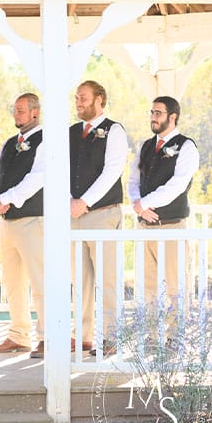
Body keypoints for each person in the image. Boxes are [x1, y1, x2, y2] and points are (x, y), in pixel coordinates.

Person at [70, 80, 128, 356]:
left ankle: (111, 338)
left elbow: (113, 170)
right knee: (79, 279)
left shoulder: (113, 130)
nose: (78, 102)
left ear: (99, 99)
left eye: (83, 97)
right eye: (76, 98)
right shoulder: (70, 132)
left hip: (103, 213)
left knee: (107, 278)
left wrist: (85, 201)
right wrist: (69, 201)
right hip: (73, 214)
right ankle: (83, 336)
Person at [0, 94, 46, 359]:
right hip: (7, 222)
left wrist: (7, 198)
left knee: (40, 280)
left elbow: (38, 177)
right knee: (13, 282)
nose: (16, 115)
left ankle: (48, 336)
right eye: (14, 110)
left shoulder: (45, 140)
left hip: (33, 219)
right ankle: (19, 335)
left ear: (35, 112)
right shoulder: (10, 143)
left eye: (21, 110)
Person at [128, 96, 198, 310]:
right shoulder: (146, 146)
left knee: (176, 286)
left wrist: (145, 203)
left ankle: (175, 339)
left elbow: (177, 185)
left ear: (173, 116)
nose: (153, 117)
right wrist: (137, 204)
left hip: (172, 227)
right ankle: (151, 337)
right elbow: (133, 180)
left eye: (158, 113)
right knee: (146, 286)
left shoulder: (186, 147)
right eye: (151, 112)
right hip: (144, 227)